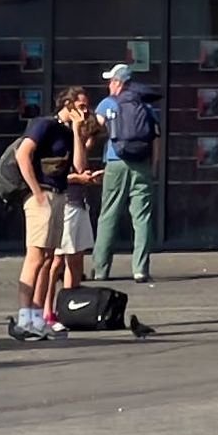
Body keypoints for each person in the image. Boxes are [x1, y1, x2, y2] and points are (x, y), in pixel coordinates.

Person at [11, 83, 94, 339]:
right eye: (81, 107)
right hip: (42, 194)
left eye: (87, 107)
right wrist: (35, 191)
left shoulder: (68, 132)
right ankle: (25, 317)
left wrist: (78, 131)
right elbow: (22, 154)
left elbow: (79, 167)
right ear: (67, 105)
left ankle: (37, 317)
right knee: (35, 257)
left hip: (59, 195)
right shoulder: (44, 124)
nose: (85, 111)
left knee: (48, 259)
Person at [91, 62, 159, 284]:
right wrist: (154, 166)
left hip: (115, 162)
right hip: (142, 164)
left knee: (109, 214)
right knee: (142, 217)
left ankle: (100, 269)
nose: (109, 85)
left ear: (119, 83)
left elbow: (93, 129)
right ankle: (140, 269)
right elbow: (156, 139)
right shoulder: (146, 106)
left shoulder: (107, 104)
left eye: (111, 81)